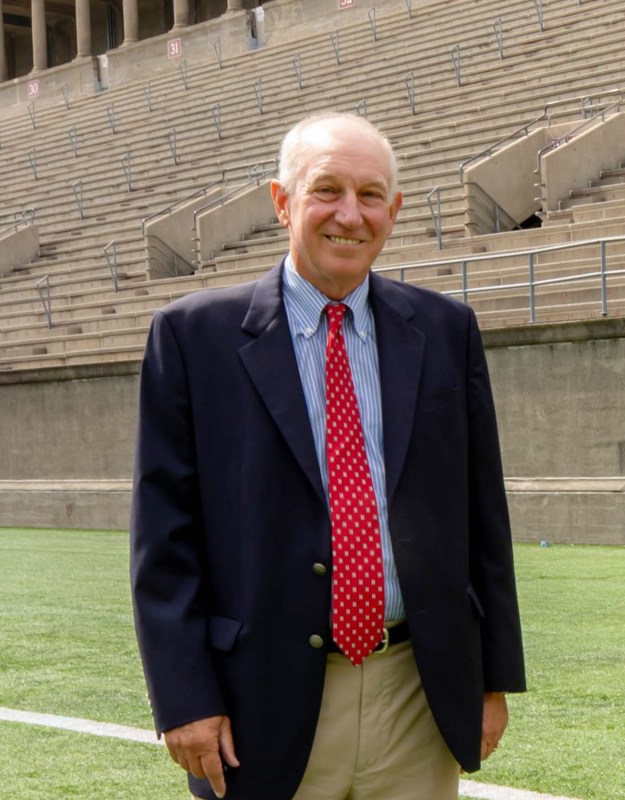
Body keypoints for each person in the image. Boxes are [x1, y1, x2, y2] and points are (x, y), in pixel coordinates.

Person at [130, 112, 526, 800]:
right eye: (327, 190)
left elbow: (482, 515)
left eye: (371, 195)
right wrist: (184, 696)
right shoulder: (193, 339)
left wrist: (493, 679)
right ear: (282, 202)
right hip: (262, 701)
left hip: (418, 692)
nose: (351, 214)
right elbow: (164, 539)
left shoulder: (445, 330)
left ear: (394, 212)